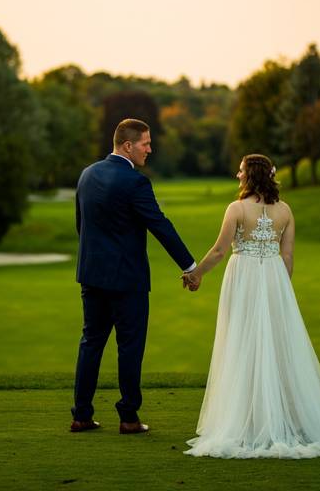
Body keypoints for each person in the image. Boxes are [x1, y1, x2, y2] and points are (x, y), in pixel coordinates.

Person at [182, 153, 320, 458]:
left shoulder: (236, 208)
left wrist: (196, 274)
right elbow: (287, 258)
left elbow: (221, 250)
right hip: (274, 279)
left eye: (240, 172)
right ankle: (274, 418)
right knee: (274, 347)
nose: (238, 176)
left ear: (250, 176)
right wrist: (279, 290)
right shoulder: (286, 210)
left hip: (244, 277)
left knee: (242, 344)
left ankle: (247, 424)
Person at [70, 118, 196, 435]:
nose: (150, 149)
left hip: (92, 276)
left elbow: (80, 226)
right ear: (128, 145)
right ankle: (128, 418)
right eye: (145, 143)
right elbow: (160, 225)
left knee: (90, 343)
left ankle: (81, 416)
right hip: (128, 281)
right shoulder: (135, 182)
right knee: (129, 347)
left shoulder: (87, 175)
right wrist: (190, 266)